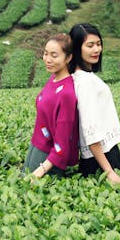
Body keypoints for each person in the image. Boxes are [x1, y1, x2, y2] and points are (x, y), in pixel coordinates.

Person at [68, 23, 120, 187]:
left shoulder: (84, 76)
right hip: (102, 156)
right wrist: (109, 172)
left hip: (100, 153)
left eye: (99, 44)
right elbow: (90, 131)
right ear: (77, 48)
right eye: (90, 45)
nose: (96, 50)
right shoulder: (85, 81)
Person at [24, 34, 80, 178]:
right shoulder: (53, 79)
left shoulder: (67, 93)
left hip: (48, 157)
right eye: (45, 53)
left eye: (54, 55)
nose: (48, 60)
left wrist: (41, 170)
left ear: (68, 58)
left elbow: (63, 142)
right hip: (37, 145)